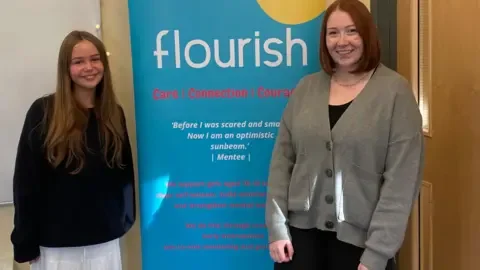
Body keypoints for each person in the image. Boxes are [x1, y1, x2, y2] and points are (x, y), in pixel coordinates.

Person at [265, 0, 424, 269]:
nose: (342, 41)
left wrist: (377, 253)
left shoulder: (396, 93)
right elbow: (282, 163)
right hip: (298, 242)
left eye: (352, 31)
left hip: (361, 247)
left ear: (367, 34)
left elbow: (401, 182)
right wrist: (277, 228)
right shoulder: (306, 89)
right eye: (333, 32)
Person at [10, 30, 136, 270]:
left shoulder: (113, 114)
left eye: (95, 59)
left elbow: (123, 174)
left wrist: (125, 220)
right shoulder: (43, 112)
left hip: (104, 241)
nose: (89, 67)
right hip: (56, 246)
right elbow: (26, 182)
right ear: (65, 68)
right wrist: (24, 240)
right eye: (78, 62)